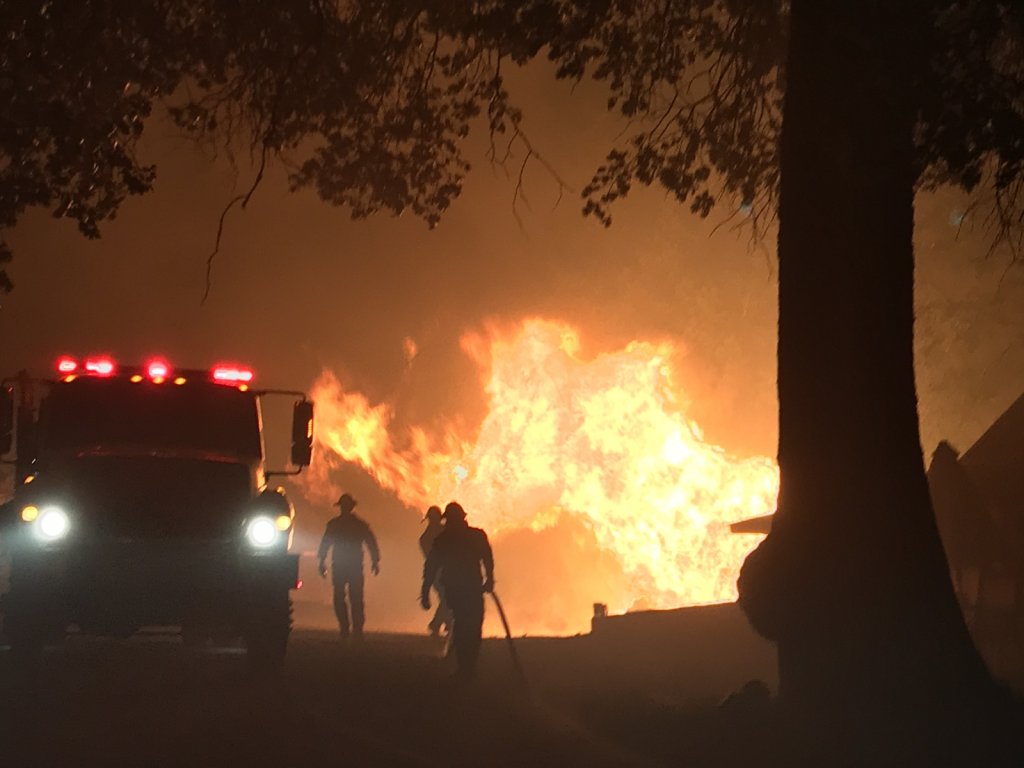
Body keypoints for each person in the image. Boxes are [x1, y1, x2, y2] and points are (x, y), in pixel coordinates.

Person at [420, 501, 494, 678]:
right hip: (466, 589)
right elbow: (431, 566)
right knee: (469, 626)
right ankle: (466, 667)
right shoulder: (472, 536)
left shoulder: (444, 539)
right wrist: (489, 579)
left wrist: (425, 591)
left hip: (460, 589)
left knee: (465, 626)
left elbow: (431, 567)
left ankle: (466, 667)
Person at [318, 493, 380, 639]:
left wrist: (375, 561)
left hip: (346, 565)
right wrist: (375, 561)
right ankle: (350, 629)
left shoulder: (338, 524)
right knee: (350, 598)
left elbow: (371, 542)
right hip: (350, 565)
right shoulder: (356, 525)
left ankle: (352, 629)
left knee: (350, 598)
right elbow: (371, 542)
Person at [419, 505, 452, 638]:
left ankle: (445, 623)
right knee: (447, 598)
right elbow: (431, 557)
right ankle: (438, 624)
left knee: (447, 598)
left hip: (443, 571)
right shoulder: (427, 538)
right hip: (437, 572)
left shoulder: (427, 537)